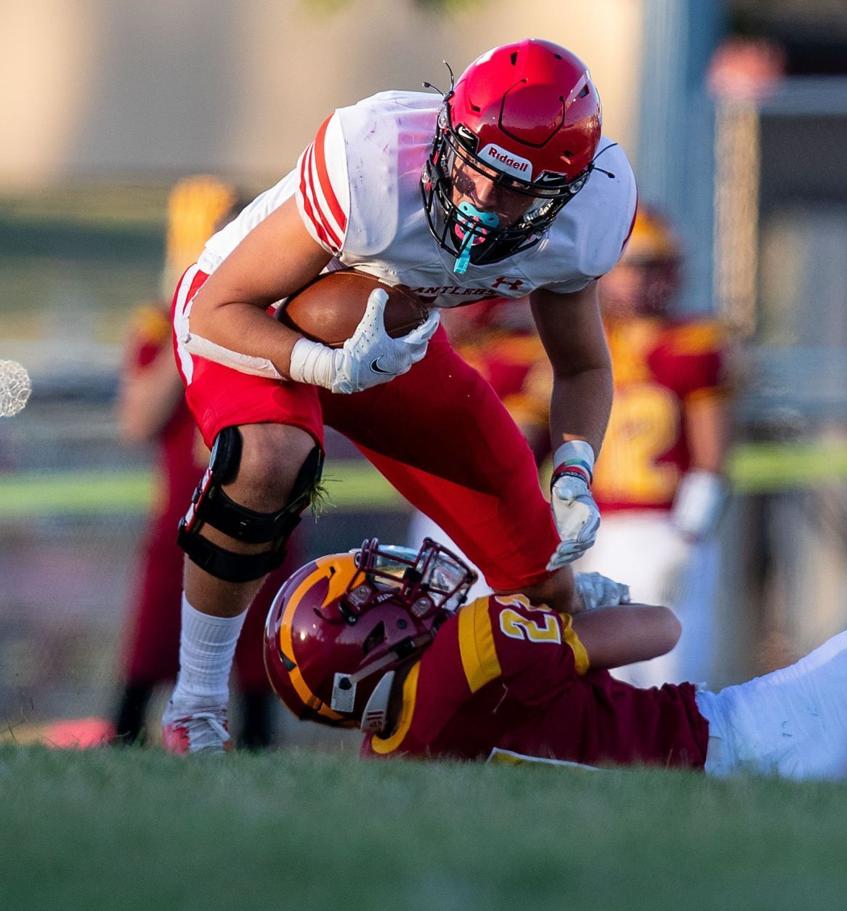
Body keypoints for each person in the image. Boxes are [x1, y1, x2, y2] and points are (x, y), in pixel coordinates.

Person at [162, 39, 636, 752]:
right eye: (475, 169)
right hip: (255, 315)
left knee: (543, 584)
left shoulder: (585, 223)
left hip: (394, 341)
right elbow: (214, 310)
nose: (480, 201)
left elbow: (582, 368)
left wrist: (573, 470)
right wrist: (321, 368)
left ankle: (560, 740)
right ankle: (195, 707)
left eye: (513, 191)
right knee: (265, 458)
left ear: (565, 192)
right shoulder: (374, 164)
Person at [263, 537, 847, 791]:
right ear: (367, 639)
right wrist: (571, 598)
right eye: (383, 591)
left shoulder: (392, 761)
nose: (407, 586)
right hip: (744, 734)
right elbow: (657, 628)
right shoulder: (468, 649)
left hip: (727, 789)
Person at [461, 208, 731, 686]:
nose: (642, 281)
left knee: (675, 662)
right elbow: (534, 431)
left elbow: (712, 455)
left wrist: (689, 532)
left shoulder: (690, 343)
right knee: (604, 657)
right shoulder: (581, 342)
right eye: (633, 267)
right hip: (593, 524)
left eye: (652, 267)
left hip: (663, 521)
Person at [113, 176, 296, 748]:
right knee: (146, 661)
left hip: (260, 517)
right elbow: (138, 420)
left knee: (257, 670)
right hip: (177, 528)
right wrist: (193, 315)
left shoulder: (275, 314)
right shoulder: (157, 323)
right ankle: (126, 742)